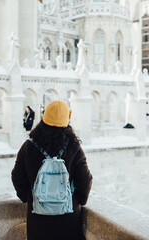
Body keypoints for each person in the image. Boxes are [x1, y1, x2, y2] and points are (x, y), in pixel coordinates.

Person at [12, 100, 92, 240]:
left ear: (44, 118)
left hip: (38, 218)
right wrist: (79, 200)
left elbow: (17, 176)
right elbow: (85, 180)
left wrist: (29, 197)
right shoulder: (73, 147)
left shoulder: (28, 146)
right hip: (68, 218)